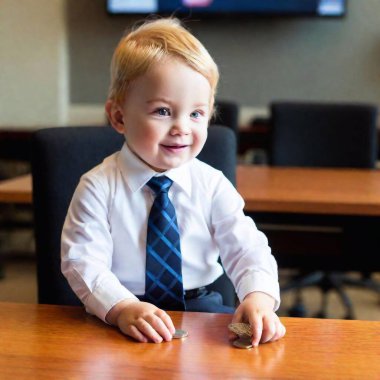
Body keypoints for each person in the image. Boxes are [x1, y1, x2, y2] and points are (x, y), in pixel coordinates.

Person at [61, 18, 286, 346]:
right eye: (163, 111)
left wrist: (259, 297)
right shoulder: (98, 186)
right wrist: (122, 307)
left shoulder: (212, 185)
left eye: (196, 114)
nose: (182, 127)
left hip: (200, 307)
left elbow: (247, 248)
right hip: (120, 308)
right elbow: (82, 261)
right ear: (119, 116)